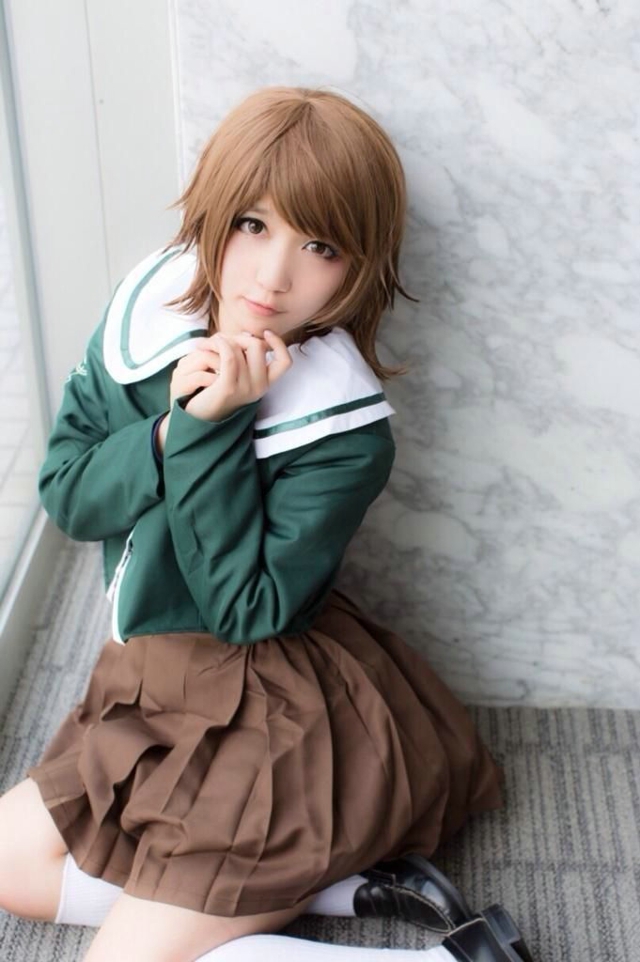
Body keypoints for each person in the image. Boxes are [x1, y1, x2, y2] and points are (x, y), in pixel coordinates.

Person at [0, 87, 534, 962]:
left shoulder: (346, 430)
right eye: (252, 225)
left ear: (358, 268)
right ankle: (338, 889)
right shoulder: (149, 316)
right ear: (213, 213)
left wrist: (211, 426)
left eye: (320, 246)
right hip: (153, 682)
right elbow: (68, 493)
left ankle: (455, 960)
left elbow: (241, 608)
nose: (273, 276)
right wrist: (167, 430)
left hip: (264, 701)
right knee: (11, 868)